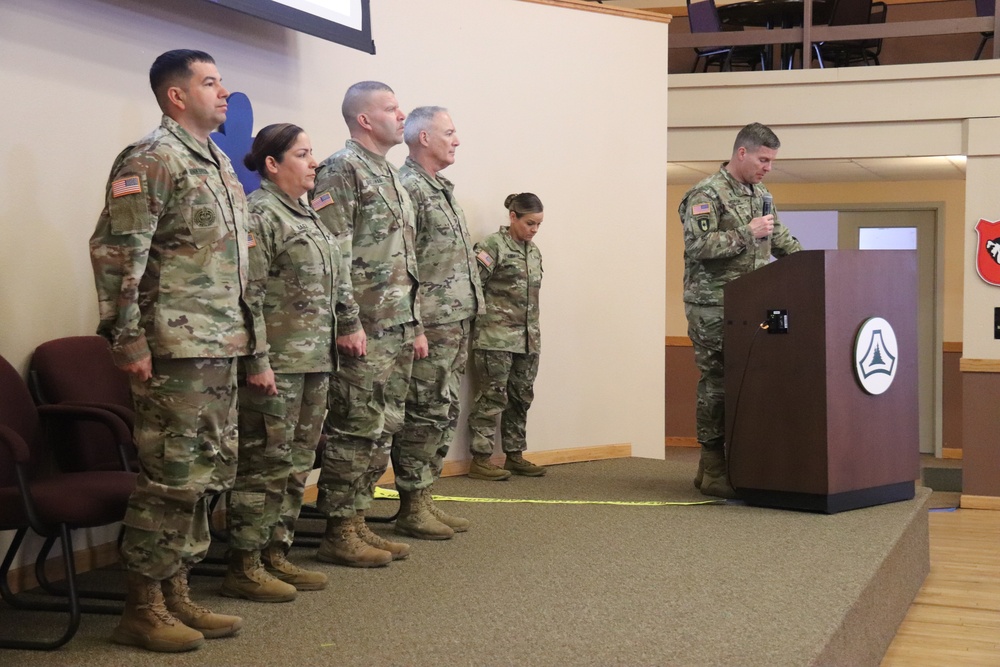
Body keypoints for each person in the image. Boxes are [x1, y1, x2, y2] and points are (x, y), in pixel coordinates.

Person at [89, 49, 253, 652]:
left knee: (207, 472)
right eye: (211, 83)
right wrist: (126, 335)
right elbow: (118, 252)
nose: (224, 93)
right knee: (170, 476)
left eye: (223, 83)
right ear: (176, 96)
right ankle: (143, 604)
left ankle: (177, 589)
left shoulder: (219, 164)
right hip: (174, 347)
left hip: (219, 343)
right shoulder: (152, 159)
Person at [222, 123, 352, 601]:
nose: (314, 162)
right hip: (274, 364)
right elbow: (246, 297)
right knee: (263, 464)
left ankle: (277, 553)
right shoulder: (261, 215)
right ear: (273, 165)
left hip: (313, 361)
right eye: (302, 154)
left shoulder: (307, 214)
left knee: (296, 464)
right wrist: (257, 361)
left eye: (312, 153)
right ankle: (244, 563)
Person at [309, 81, 423, 567]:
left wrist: (414, 323)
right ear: (364, 119)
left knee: (383, 428)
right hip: (364, 328)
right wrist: (347, 321)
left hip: (396, 325)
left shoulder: (392, 175)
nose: (402, 115)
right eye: (391, 108)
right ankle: (338, 529)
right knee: (354, 428)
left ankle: (357, 520)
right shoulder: (341, 169)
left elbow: (405, 258)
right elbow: (333, 253)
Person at [679, 122, 802, 499]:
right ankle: (714, 465)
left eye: (772, 161)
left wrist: (812, 264)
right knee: (717, 384)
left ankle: (718, 468)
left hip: (752, 304)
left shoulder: (761, 193)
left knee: (745, 385)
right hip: (713, 306)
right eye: (763, 159)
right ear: (742, 152)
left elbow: (778, 237)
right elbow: (698, 245)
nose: (768, 167)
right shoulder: (705, 193)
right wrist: (747, 233)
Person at [394, 107, 484, 538]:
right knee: (423, 411)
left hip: (456, 320)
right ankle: (412, 504)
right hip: (429, 323)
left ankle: (425, 496)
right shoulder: (408, 188)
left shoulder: (439, 188)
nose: (457, 140)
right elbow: (401, 263)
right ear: (424, 137)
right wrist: (414, 325)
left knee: (442, 410)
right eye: (449, 132)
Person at [467, 193, 546, 479]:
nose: (534, 229)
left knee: (521, 398)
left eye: (538, 224)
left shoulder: (533, 251)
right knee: (492, 398)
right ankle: (481, 459)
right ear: (512, 216)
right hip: (495, 338)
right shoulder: (492, 246)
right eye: (529, 223)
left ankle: (515, 455)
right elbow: (473, 288)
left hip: (528, 340)